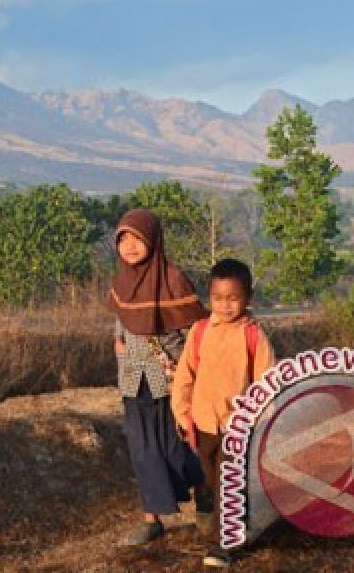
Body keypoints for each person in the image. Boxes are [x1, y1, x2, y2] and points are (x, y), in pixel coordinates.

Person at [109, 208, 209, 547]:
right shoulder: (121, 280)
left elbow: (197, 334)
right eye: (123, 239)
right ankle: (151, 519)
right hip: (132, 378)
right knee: (141, 450)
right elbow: (121, 318)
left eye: (137, 238)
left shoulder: (173, 279)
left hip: (168, 381)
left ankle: (209, 484)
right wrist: (118, 340)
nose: (130, 247)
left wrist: (182, 366)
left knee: (172, 449)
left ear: (153, 239)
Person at [171, 258, 275, 569]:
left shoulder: (253, 336)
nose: (225, 305)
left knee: (230, 484)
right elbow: (184, 374)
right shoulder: (200, 331)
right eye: (218, 298)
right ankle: (228, 519)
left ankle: (223, 544)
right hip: (203, 423)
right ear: (209, 297)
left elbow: (267, 383)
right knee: (210, 480)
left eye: (233, 298)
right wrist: (182, 411)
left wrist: (259, 419)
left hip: (237, 426)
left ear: (248, 297)